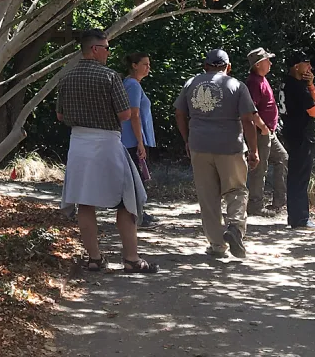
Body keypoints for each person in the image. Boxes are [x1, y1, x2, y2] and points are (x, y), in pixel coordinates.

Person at [57, 30, 156, 273]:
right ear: (95, 49)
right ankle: (131, 258)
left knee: (85, 202)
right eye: (107, 47)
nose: (109, 52)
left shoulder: (66, 78)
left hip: (79, 143)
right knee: (125, 200)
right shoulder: (110, 77)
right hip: (107, 143)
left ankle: (94, 258)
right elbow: (124, 115)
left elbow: (60, 115)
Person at [175, 48, 262, 259]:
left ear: (205, 66)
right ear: (228, 67)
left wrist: (187, 139)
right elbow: (248, 120)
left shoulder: (192, 83)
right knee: (236, 190)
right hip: (230, 147)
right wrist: (254, 150)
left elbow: (179, 113)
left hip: (199, 146)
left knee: (208, 197)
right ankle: (234, 229)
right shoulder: (236, 85)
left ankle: (216, 245)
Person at [244, 47, 288, 216]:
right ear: (258, 64)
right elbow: (250, 110)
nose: (270, 63)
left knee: (282, 158)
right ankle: (255, 205)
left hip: (269, 131)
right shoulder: (253, 82)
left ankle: (279, 201)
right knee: (259, 167)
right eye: (267, 60)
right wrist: (262, 127)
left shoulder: (261, 79)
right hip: (260, 131)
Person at [281, 52, 315, 228]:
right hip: (301, 136)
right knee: (300, 177)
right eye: (306, 64)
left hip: (291, 133)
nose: (310, 68)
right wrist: (310, 86)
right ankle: (300, 218)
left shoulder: (285, 83)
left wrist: (311, 85)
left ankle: (295, 216)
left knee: (295, 176)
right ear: (296, 66)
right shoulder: (298, 86)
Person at [120, 51, 156, 225]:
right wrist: (140, 142)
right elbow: (134, 114)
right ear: (134, 65)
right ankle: (137, 214)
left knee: (137, 177)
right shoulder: (133, 85)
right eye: (145, 64)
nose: (148, 67)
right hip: (133, 140)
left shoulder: (131, 83)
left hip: (132, 139)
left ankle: (139, 211)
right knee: (137, 177)